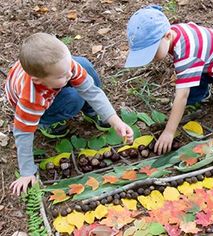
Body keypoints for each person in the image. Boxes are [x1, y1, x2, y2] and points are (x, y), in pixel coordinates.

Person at [5, 32, 134, 195]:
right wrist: (27, 172)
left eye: (68, 70)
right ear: (38, 80)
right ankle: (48, 122)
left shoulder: (66, 68)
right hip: (38, 106)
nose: (69, 75)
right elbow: (23, 133)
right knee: (74, 98)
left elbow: (91, 91)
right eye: (62, 75)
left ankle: (91, 111)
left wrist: (115, 121)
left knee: (84, 65)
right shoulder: (30, 99)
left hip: (50, 81)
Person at [125, 5, 213, 156]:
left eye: (152, 52)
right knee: (188, 81)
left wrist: (169, 132)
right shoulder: (172, 34)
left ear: (167, 36)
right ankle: (200, 95)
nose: (150, 58)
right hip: (206, 63)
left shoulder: (188, 54)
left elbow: (181, 95)